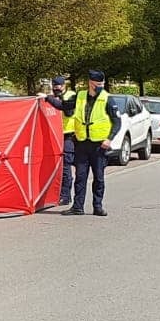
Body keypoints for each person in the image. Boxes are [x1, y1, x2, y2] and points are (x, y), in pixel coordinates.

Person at [65, 70, 121, 216]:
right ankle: (77, 207)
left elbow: (117, 122)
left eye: (102, 83)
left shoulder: (107, 98)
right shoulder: (80, 95)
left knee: (99, 177)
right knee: (80, 177)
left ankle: (97, 206)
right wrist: (48, 99)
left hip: (99, 145)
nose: (101, 86)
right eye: (98, 84)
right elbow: (65, 106)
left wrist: (110, 138)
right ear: (90, 83)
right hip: (82, 143)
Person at [45, 74, 76, 204]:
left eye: (58, 86)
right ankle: (57, 194)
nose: (55, 88)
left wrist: (51, 99)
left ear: (64, 86)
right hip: (56, 135)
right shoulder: (54, 97)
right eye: (54, 86)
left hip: (68, 135)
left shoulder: (71, 96)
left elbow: (67, 110)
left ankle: (65, 196)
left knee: (65, 166)